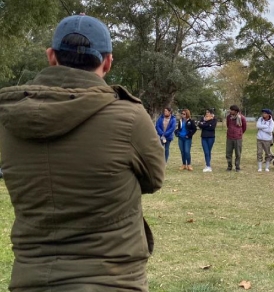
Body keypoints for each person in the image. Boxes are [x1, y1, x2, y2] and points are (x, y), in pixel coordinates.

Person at [0, 14, 165, 291]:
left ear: (51, 56)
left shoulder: (7, 118)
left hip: (31, 277)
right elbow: (154, 179)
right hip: (113, 278)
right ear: (108, 61)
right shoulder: (129, 117)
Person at [226, 105, 247, 172]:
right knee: (228, 153)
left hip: (238, 138)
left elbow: (244, 127)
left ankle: (237, 167)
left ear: (235, 111)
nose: (230, 111)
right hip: (229, 137)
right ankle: (229, 166)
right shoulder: (228, 117)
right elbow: (227, 125)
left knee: (238, 153)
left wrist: (239, 133)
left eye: (231, 110)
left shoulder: (242, 118)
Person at [198, 108, 217, 172]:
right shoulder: (203, 118)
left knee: (208, 151)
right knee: (206, 151)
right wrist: (206, 125)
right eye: (206, 112)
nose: (206, 113)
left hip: (211, 137)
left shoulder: (214, 119)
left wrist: (204, 125)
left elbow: (212, 127)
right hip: (203, 137)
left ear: (211, 113)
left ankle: (208, 165)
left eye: (208, 112)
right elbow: (200, 125)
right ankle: (208, 165)